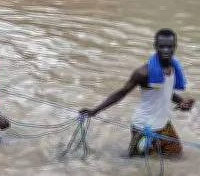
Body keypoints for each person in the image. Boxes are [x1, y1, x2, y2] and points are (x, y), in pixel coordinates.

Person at [80, 29, 194, 158]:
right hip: (144, 129)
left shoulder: (173, 67)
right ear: (155, 46)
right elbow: (121, 93)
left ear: (175, 46)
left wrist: (181, 101)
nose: (166, 50)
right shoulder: (143, 73)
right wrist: (94, 111)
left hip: (165, 125)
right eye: (161, 46)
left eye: (170, 46)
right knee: (135, 165)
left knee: (177, 158)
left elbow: (165, 91)